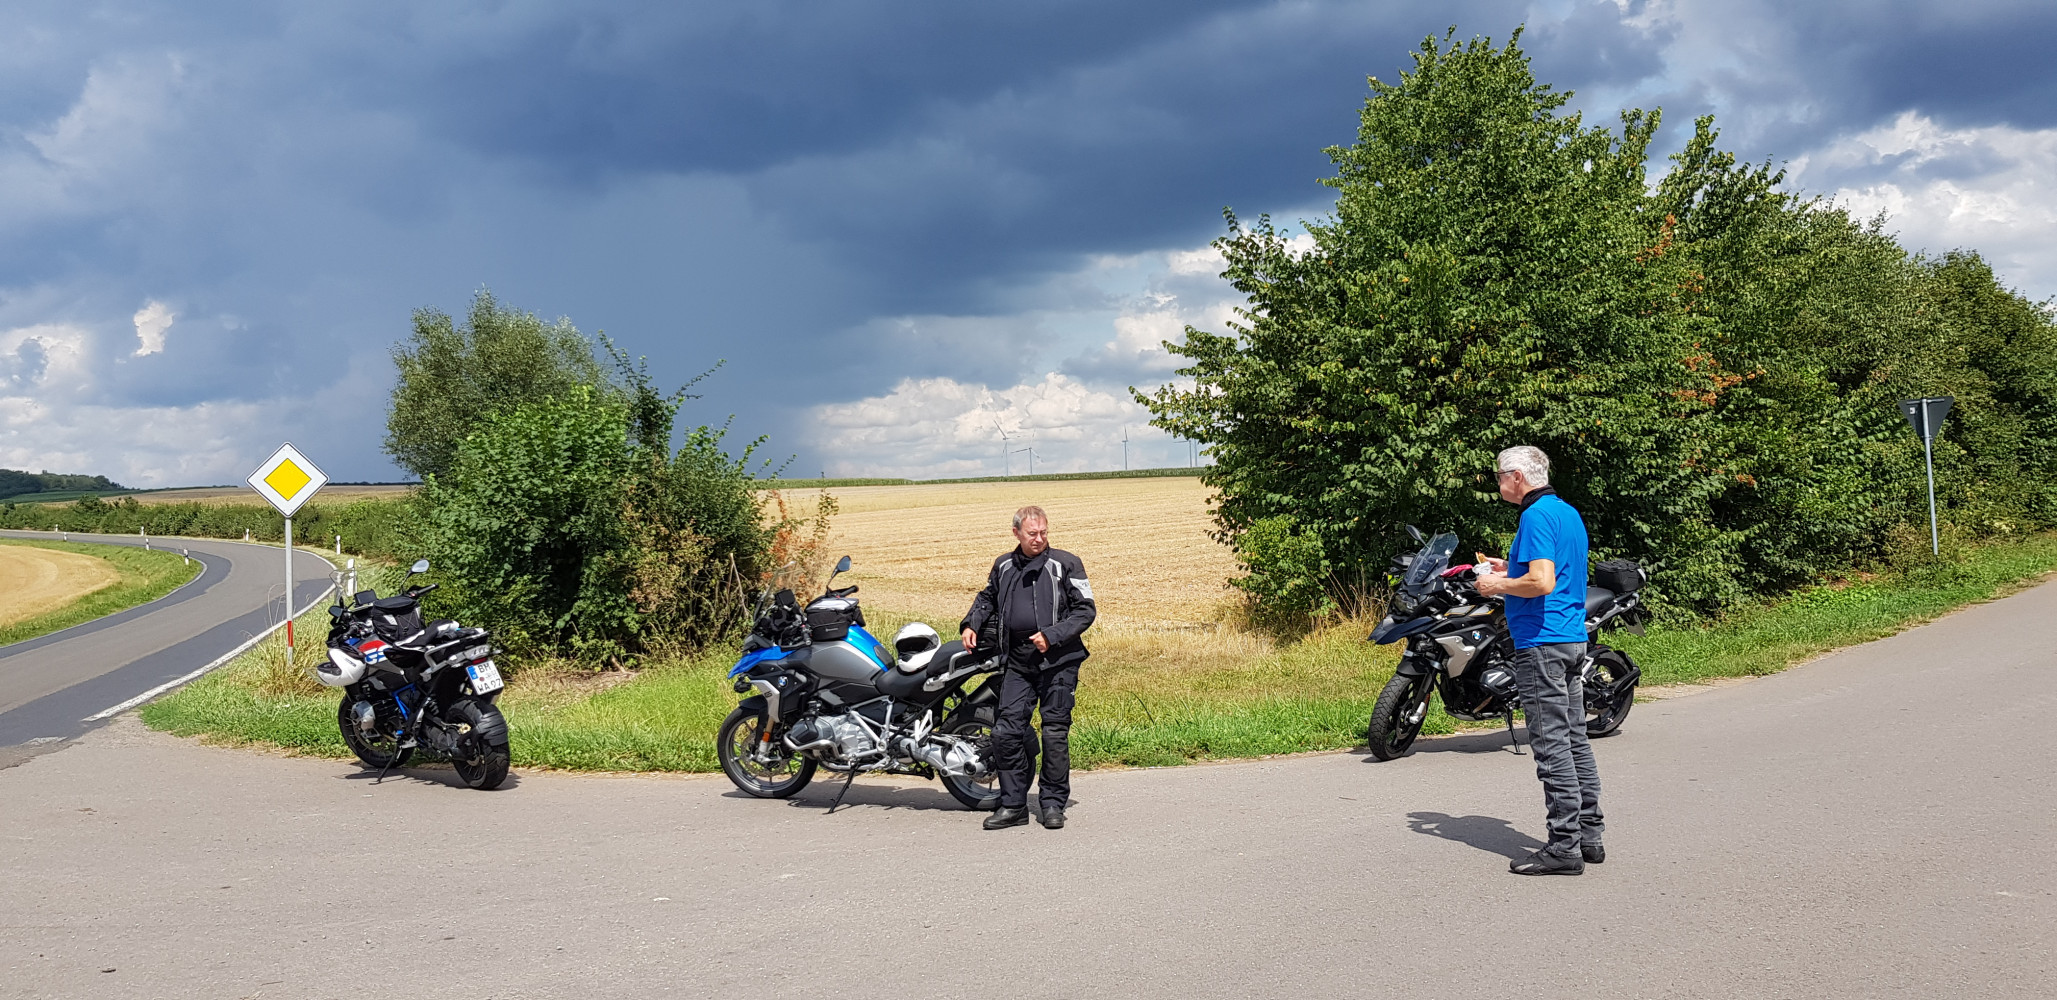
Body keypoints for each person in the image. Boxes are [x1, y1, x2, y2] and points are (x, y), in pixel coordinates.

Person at [1474, 445, 1604, 876]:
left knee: (1551, 746)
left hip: (1541, 643)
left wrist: (1495, 585)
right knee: (1575, 738)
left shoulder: (1533, 516)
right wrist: (1508, 566)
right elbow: (1554, 571)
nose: (1498, 483)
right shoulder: (1566, 512)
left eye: (1499, 476)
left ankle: (1564, 847)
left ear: (1516, 477)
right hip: (1571, 638)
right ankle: (1589, 836)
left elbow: (1541, 581)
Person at [961, 505, 1096, 830]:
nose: (1039, 539)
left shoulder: (1066, 563)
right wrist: (970, 624)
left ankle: (1052, 805)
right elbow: (987, 598)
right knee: (1005, 732)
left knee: (1054, 734)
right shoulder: (1003, 565)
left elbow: (1085, 610)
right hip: (1018, 663)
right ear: (1017, 533)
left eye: (1043, 533)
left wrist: (1052, 635)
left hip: (1059, 661)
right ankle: (1013, 806)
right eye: (1032, 533)